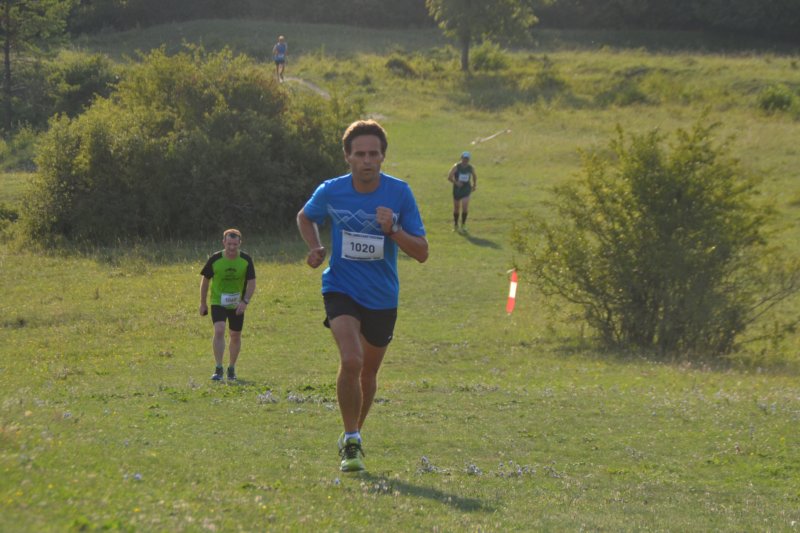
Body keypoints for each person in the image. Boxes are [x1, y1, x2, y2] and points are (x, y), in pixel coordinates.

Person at [296, 119, 429, 472]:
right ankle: (353, 440)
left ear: (383, 156)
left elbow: (421, 252)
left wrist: (394, 229)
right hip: (340, 287)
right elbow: (305, 217)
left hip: (382, 296)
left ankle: (351, 435)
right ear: (347, 156)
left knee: (367, 374)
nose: (367, 160)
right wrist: (315, 246)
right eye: (360, 154)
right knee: (352, 360)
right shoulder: (331, 190)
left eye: (373, 154)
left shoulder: (400, 193)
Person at [199, 228, 256, 382]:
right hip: (218, 301)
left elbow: (251, 283)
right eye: (229, 244)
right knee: (219, 330)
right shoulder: (215, 259)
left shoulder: (246, 260)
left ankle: (231, 368)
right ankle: (218, 368)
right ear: (223, 242)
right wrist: (203, 303)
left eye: (235, 244)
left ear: (240, 243)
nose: (231, 247)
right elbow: (205, 281)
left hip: (237, 303)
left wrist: (245, 301)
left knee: (235, 335)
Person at [447, 151, 477, 232]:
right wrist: (456, 183)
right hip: (457, 189)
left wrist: (474, 185)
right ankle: (456, 225)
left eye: (467, 159)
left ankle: (463, 225)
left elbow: (474, 176)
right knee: (456, 208)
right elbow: (449, 177)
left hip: (466, 189)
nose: (465, 160)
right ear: (461, 158)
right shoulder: (456, 166)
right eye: (464, 158)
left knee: (465, 206)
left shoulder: (470, 168)